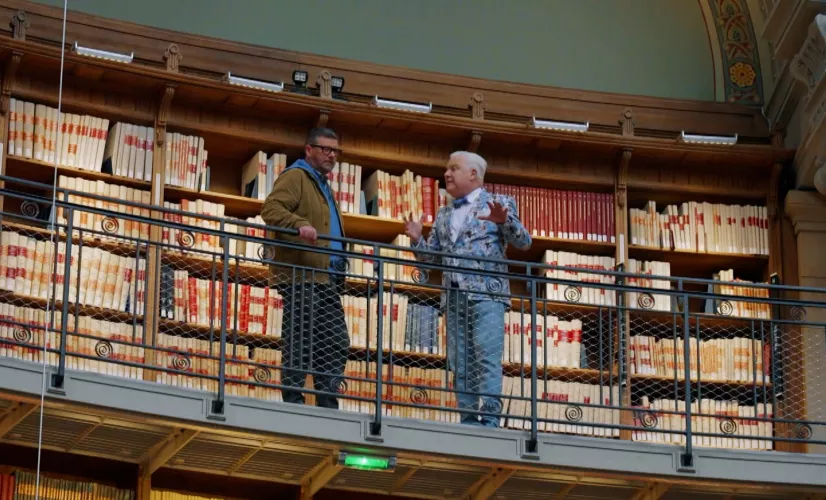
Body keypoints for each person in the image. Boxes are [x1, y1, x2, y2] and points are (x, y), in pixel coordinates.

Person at [404, 151, 531, 427]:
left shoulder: (500, 203)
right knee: (460, 362)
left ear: (473, 174)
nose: (446, 173)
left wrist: (505, 221)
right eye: (447, 169)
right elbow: (431, 259)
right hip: (453, 297)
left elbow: (524, 242)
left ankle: (491, 418)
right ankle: (468, 418)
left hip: (487, 295)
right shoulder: (444, 213)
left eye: (453, 168)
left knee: (487, 357)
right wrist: (416, 240)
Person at [260, 127, 350, 409]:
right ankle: (293, 399)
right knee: (300, 337)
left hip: (326, 278)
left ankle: (327, 402)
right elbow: (271, 209)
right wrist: (299, 224)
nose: (332, 155)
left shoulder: (324, 186)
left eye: (336, 151)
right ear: (309, 149)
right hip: (302, 275)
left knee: (335, 341)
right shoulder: (297, 176)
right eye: (326, 149)